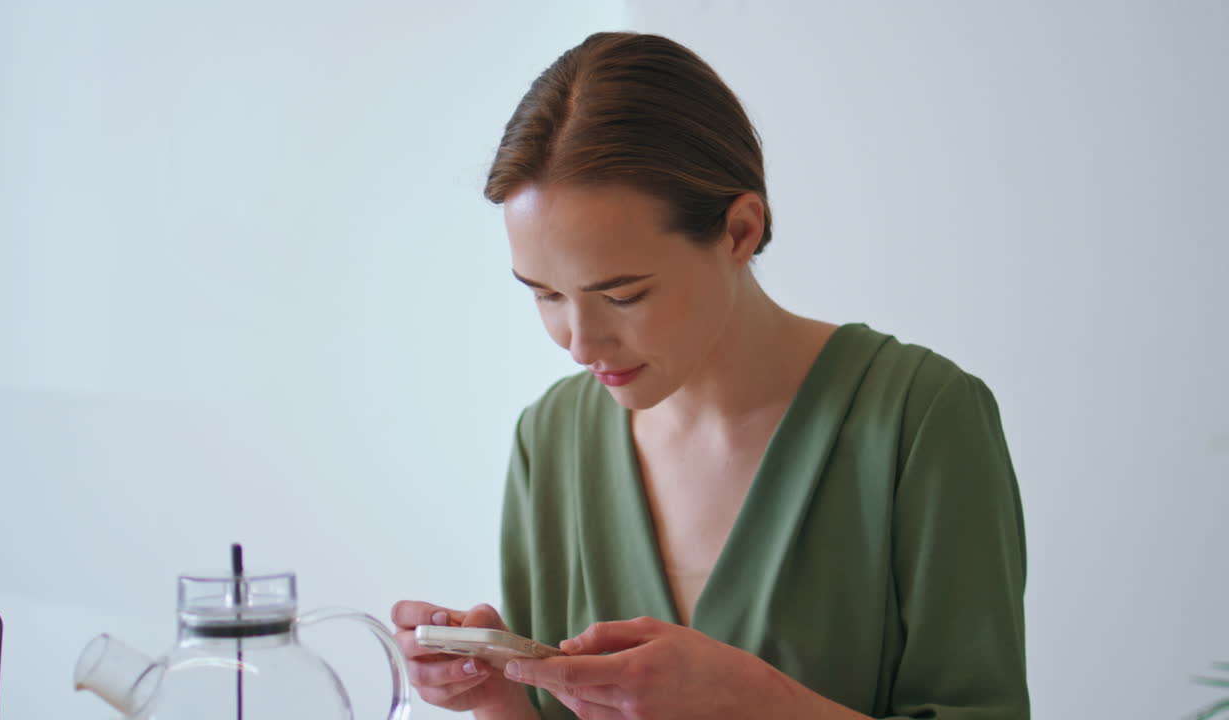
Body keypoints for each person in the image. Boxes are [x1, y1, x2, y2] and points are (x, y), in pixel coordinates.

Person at [392, 31, 1029, 720]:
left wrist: (748, 700)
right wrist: (497, 697)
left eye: (622, 295)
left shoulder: (919, 419)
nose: (579, 343)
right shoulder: (550, 440)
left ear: (739, 231)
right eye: (544, 294)